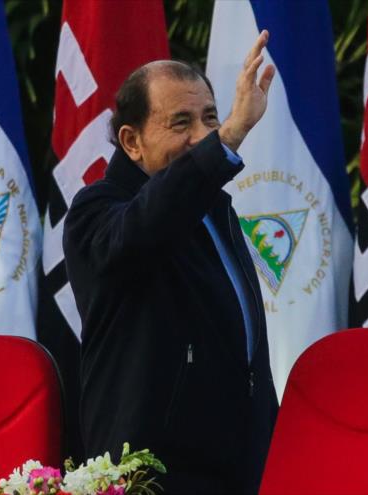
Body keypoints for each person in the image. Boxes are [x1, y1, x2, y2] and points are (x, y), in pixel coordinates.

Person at [62, 31, 279, 494]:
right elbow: (146, 227)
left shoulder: (217, 209)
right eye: (181, 123)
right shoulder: (96, 210)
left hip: (239, 466)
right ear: (132, 141)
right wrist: (229, 136)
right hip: (152, 475)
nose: (202, 136)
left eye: (210, 118)